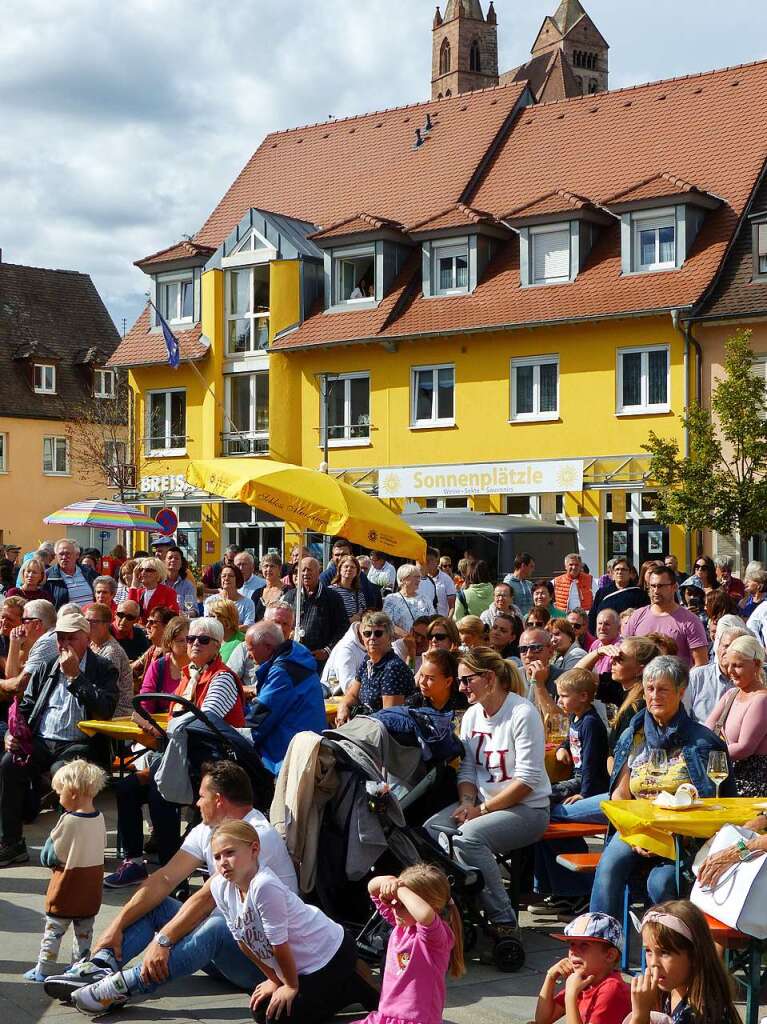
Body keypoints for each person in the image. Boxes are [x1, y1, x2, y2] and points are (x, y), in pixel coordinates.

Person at [47, 762, 297, 1010]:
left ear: (219, 800)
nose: (197, 804)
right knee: (157, 904)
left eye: (201, 796)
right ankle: (100, 967)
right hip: (227, 943)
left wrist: (164, 940)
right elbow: (164, 878)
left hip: (265, 965)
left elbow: (206, 898)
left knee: (218, 925)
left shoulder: (255, 836)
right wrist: (116, 925)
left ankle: (119, 988)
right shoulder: (209, 830)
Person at [589, 656, 734, 920]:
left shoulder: (703, 742)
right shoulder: (633, 735)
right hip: (637, 827)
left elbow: (714, 803)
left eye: (663, 689)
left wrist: (670, 831)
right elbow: (620, 795)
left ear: (681, 691)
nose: (654, 696)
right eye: (649, 688)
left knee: (661, 883)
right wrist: (637, 833)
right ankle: (599, 942)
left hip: (682, 835)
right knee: (609, 865)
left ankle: (670, 947)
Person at [425, 646, 550, 940]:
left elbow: (528, 780)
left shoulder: (522, 712)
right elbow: (467, 770)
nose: (462, 687)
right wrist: (468, 802)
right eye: (460, 681)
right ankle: (458, 910)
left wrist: (480, 810)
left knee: (469, 839)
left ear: (490, 678)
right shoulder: (471, 716)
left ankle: (503, 919)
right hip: (485, 804)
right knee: (430, 830)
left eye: (468, 680)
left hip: (528, 809)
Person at [207, 821, 369, 1024]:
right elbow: (243, 942)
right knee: (263, 1012)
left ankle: (352, 986)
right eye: (217, 857)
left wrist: (290, 986)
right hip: (297, 965)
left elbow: (279, 945)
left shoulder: (264, 885)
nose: (223, 862)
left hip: (329, 953)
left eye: (230, 853)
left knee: (280, 1018)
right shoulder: (220, 887)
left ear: (254, 849)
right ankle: (332, 991)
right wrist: (274, 980)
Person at [0, 605, 118, 868]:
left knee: (65, 775)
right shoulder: (47, 666)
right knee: (8, 765)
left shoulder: (103, 668)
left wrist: (76, 676)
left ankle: (67, 844)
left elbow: (106, 709)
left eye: (71, 637)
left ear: (86, 638)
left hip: (79, 743)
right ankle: (11, 842)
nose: (64, 643)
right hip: (41, 741)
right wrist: (11, 733)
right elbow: (26, 707)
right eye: (60, 637)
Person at [24, 760, 107, 982]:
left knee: (53, 932)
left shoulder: (68, 820)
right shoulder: (100, 818)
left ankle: (43, 969)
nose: (58, 797)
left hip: (66, 887)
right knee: (84, 935)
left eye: (59, 792)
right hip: (90, 890)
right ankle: (78, 968)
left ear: (72, 792)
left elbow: (51, 855)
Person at [362, 865, 464, 1024]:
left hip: (418, 1020)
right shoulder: (401, 923)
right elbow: (372, 888)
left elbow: (425, 915)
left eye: (402, 903)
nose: (394, 907)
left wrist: (400, 890)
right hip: (387, 1015)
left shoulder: (435, 937)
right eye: (394, 901)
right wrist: (393, 882)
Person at [630, 901, 739, 1024]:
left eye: (665, 952)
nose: (654, 963)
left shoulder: (701, 1013)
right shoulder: (670, 991)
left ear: (694, 956)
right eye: (648, 951)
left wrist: (640, 1016)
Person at [244, 622, 327, 774]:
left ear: (268, 647)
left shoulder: (283, 671)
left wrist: (232, 732)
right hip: (308, 747)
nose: (248, 655)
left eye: (250, 649)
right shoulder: (295, 656)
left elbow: (260, 718)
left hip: (287, 757)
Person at [535, 913, 630, 1024]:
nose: (573, 951)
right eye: (572, 944)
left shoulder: (612, 989)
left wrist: (571, 996)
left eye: (584, 945)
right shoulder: (584, 982)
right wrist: (550, 977)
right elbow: (543, 1020)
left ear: (610, 955)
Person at [704, 633, 767, 796]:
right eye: (728, 665)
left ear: (756, 664)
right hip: (726, 778)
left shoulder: (762, 700)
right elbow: (706, 731)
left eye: (737, 666)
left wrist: (707, 755)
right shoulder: (731, 694)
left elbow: (745, 747)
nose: (730, 671)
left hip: (751, 786)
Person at [335, 611, 415, 724]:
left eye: (378, 633)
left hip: (383, 734)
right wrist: (343, 707)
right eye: (367, 634)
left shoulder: (393, 668)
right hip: (365, 726)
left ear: (390, 638)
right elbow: (352, 694)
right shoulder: (368, 660)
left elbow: (390, 719)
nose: (372, 638)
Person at [623, 566, 709, 668]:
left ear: (674, 587)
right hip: (642, 682)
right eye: (652, 586)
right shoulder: (637, 616)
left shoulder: (690, 621)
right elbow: (625, 654)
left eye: (660, 586)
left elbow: (701, 664)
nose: (655, 591)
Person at [284, 557, 349, 670]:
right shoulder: (290, 596)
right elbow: (281, 622)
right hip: (294, 657)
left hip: (320, 660)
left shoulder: (332, 597)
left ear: (319, 572)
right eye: (302, 570)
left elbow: (343, 628)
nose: (305, 573)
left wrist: (328, 650)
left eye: (309, 570)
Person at [684, 624, 747, 723]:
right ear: (717, 648)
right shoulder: (697, 677)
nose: (728, 651)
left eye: (735, 647)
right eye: (726, 646)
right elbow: (683, 714)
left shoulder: (753, 680)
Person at [0, 599, 59, 705]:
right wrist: (15, 644)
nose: (4, 621)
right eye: (2, 617)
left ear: (36, 624)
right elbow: (13, 678)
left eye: (24, 621)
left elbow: (18, 686)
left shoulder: (46, 641)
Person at [134, 615, 189, 719]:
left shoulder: (199, 667)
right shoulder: (158, 667)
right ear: (169, 642)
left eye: (189, 639)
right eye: (181, 640)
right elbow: (145, 703)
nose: (187, 644)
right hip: (158, 726)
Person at [86, 603, 134, 717]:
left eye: (93, 621)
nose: (88, 625)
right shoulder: (92, 645)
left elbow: (106, 693)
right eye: (86, 620)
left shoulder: (111, 652)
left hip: (117, 714)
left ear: (107, 624)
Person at [588, 558, 647, 634]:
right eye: (617, 569)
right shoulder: (602, 592)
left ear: (630, 573)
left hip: (628, 635)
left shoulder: (639, 594)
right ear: (612, 573)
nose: (620, 572)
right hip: (604, 633)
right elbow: (593, 614)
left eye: (623, 569)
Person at [520, 627, 566, 715]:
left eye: (536, 648)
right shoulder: (513, 677)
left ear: (551, 651)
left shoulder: (564, 679)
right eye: (523, 649)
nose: (529, 655)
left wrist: (539, 685)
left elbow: (559, 722)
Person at [408, 648, 467, 713]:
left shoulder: (464, 705)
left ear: (448, 682)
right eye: (421, 675)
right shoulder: (413, 705)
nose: (422, 682)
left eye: (430, 678)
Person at [383, 564, 432, 637]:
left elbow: (432, 621)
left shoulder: (425, 599)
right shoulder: (391, 599)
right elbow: (387, 623)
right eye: (416, 577)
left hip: (423, 643)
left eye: (419, 577)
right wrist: (407, 637)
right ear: (403, 579)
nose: (419, 580)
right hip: (401, 644)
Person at [45, 540, 97, 609]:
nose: (64, 557)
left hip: (90, 618)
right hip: (66, 618)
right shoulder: (48, 576)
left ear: (77, 555)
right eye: (61, 554)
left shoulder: (88, 572)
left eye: (67, 554)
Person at [127, 557, 179, 624]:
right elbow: (129, 611)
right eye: (141, 570)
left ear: (158, 574)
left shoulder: (168, 592)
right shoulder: (137, 592)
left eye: (148, 570)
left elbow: (173, 618)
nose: (143, 572)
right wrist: (134, 585)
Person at [416, 547, 456, 617]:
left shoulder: (447, 579)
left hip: (441, 620)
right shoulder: (418, 579)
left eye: (430, 560)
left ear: (437, 562)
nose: (427, 563)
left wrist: (447, 621)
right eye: (425, 560)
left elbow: (452, 606)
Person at [330, 554, 368, 622]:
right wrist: (349, 620)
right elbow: (327, 617)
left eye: (352, 567)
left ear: (357, 572)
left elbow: (364, 614)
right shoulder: (330, 591)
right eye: (346, 566)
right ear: (340, 569)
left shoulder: (359, 593)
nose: (349, 569)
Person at [162, 546, 197, 614]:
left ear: (181, 563)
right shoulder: (158, 582)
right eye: (170, 558)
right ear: (164, 562)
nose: (173, 560)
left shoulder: (187, 585)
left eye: (176, 558)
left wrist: (183, 614)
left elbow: (193, 610)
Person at [504, 553, 535, 617]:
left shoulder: (530, 584)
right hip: (516, 623)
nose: (533, 570)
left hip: (531, 622)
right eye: (531, 566)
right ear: (523, 566)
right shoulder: (508, 584)